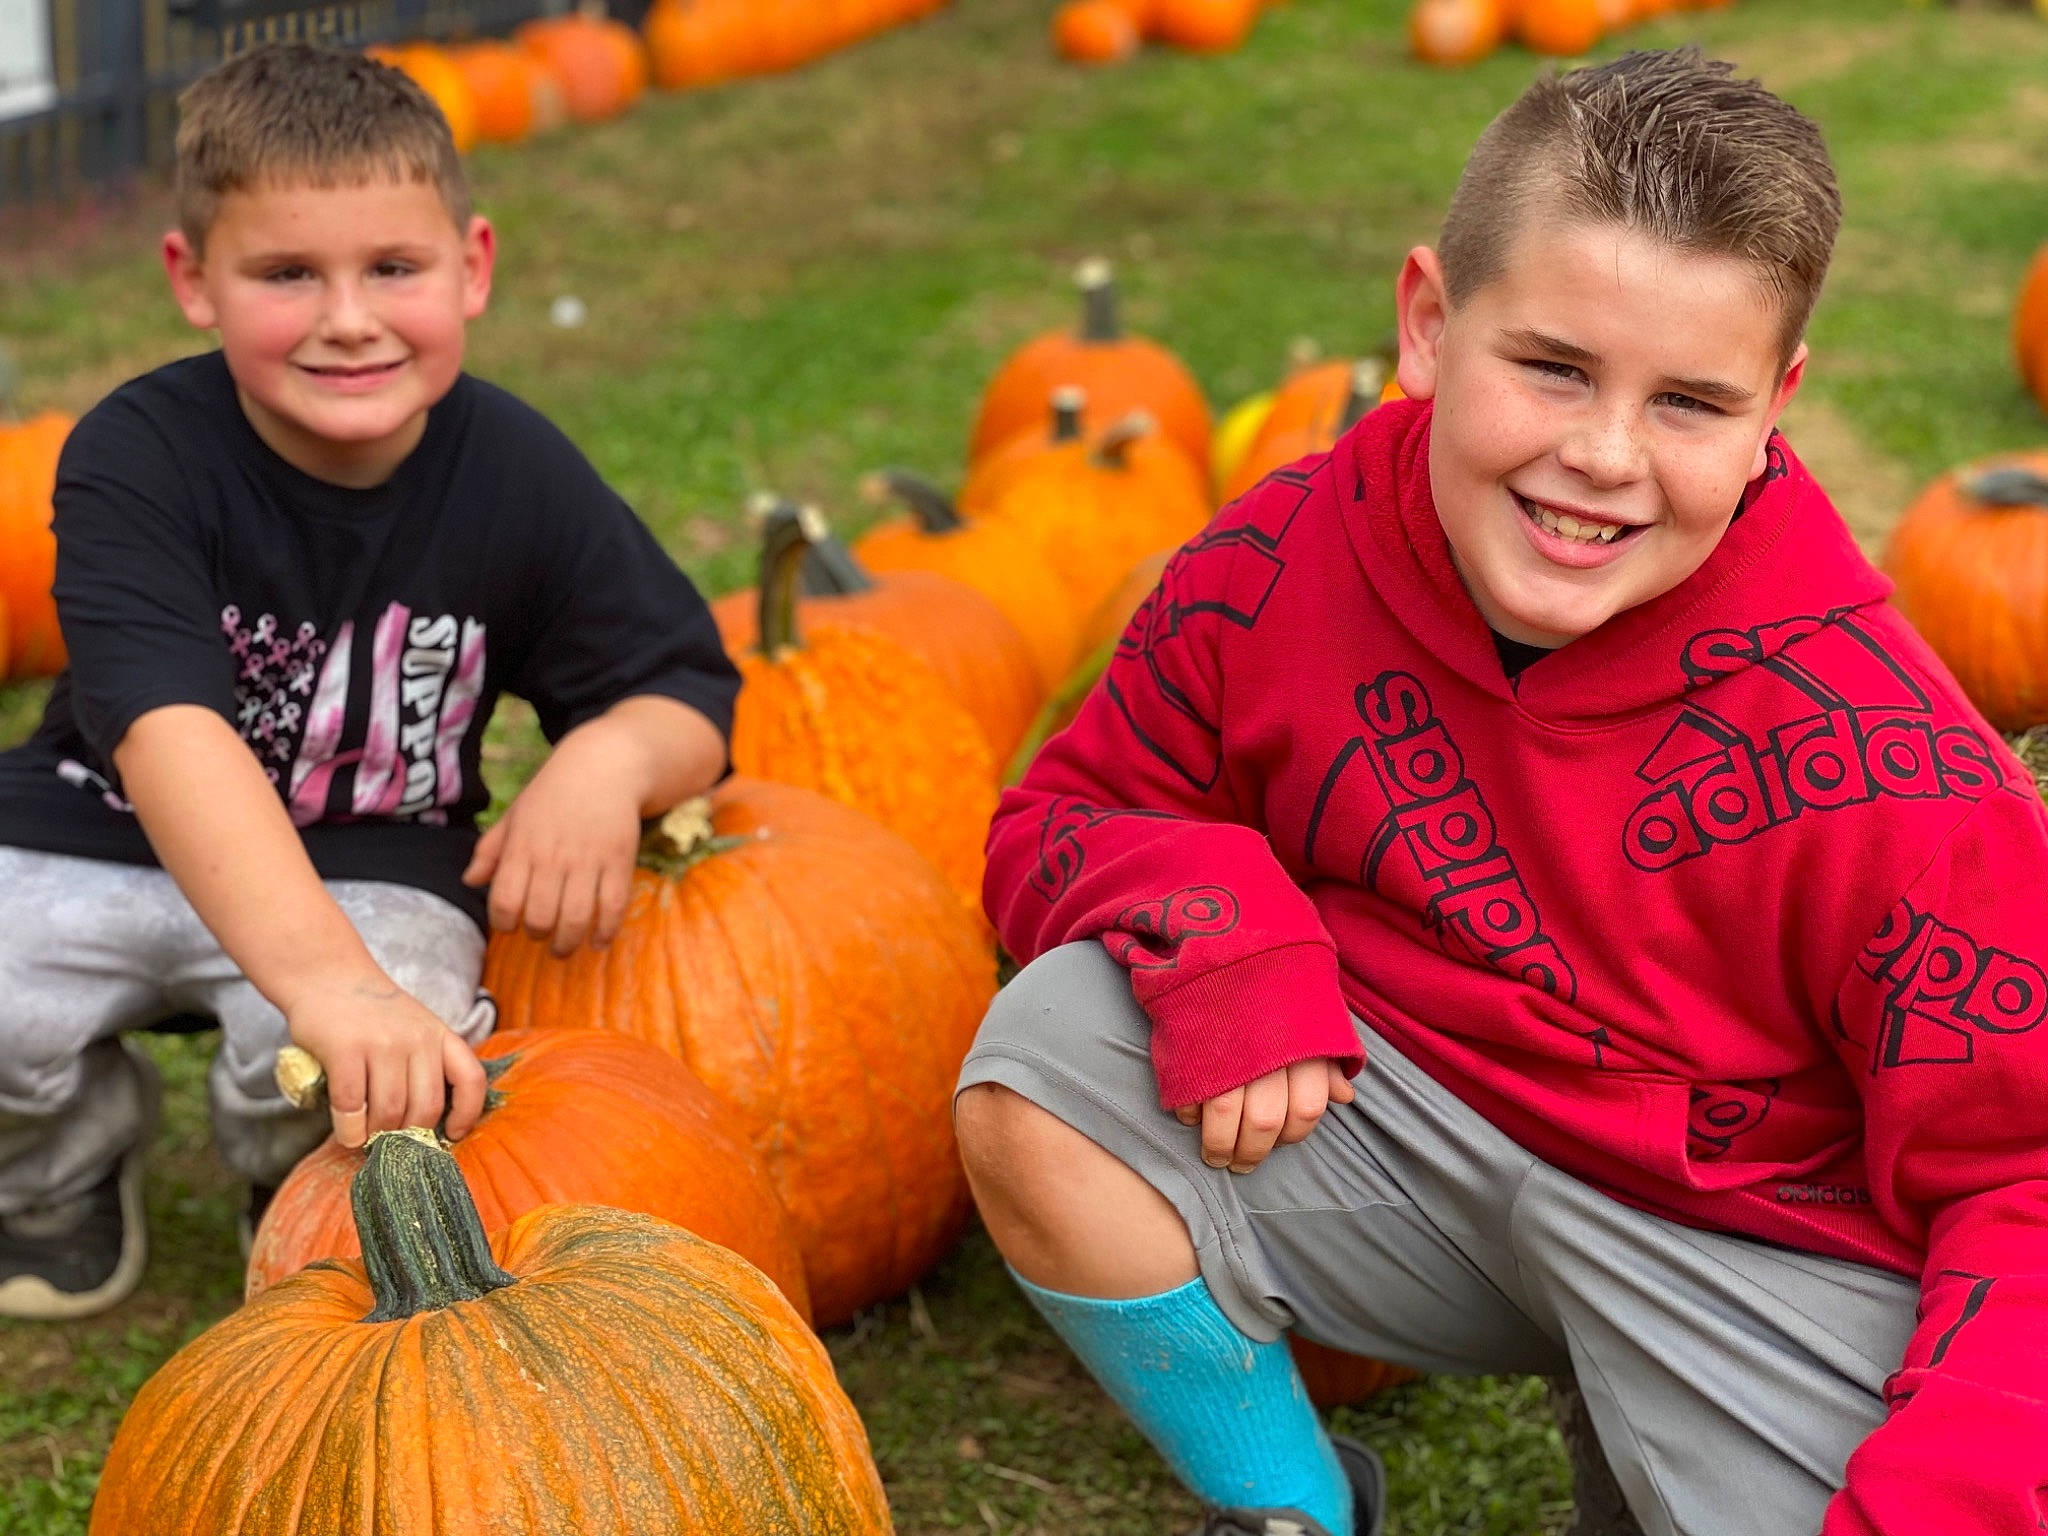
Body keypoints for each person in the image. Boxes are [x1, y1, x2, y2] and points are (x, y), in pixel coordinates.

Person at [957, 47, 2048, 1536]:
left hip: (1745, 1237)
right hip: (1408, 1120)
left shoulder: (1893, 765)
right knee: (1048, 1061)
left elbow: (2025, 1175)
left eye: (1689, 403)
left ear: (1776, 404)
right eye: (1552, 366)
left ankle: (1661, 1415)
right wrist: (1222, 926)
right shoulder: (1280, 559)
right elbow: (1064, 814)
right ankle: (1293, 1507)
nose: (1601, 458)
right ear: (1426, 323)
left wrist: (1948, 1498)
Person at [0, 42, 739, 1321]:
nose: (348, 318)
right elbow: (168, 734)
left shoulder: (513, 470)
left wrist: (605, 762)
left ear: (474, 266)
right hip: (106, 834)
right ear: (195, 281)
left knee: (407, 1031)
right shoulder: (138, 454)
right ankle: (54, 1165)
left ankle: (287, 1177)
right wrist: (325, 986)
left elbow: (685, 682)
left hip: (372, 855)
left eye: (393, 269)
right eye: (287, 274)